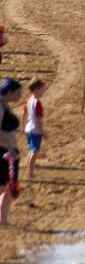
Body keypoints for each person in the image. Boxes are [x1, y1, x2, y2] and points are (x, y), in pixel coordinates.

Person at [0, 77, 23, 225]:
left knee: (5, 187)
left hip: (7, 151)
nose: (20, 96)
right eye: (18, 93)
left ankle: (2, 220)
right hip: (4, 152)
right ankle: (2, 220)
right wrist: (9, 148)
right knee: (7, 187)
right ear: (10, 91)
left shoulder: (3, 104)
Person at [23, 78, 46, 179]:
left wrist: (23, 127)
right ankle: (30, 174)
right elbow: (39, 119)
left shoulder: (28, 100)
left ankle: (29, 172)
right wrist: (43, 131)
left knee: (30, 151)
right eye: (42, 89)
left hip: (28, 128)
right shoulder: (38, 103)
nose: (43, 91)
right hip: (35, 130)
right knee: (34, 152)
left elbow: (23, 114)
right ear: (37, 89)